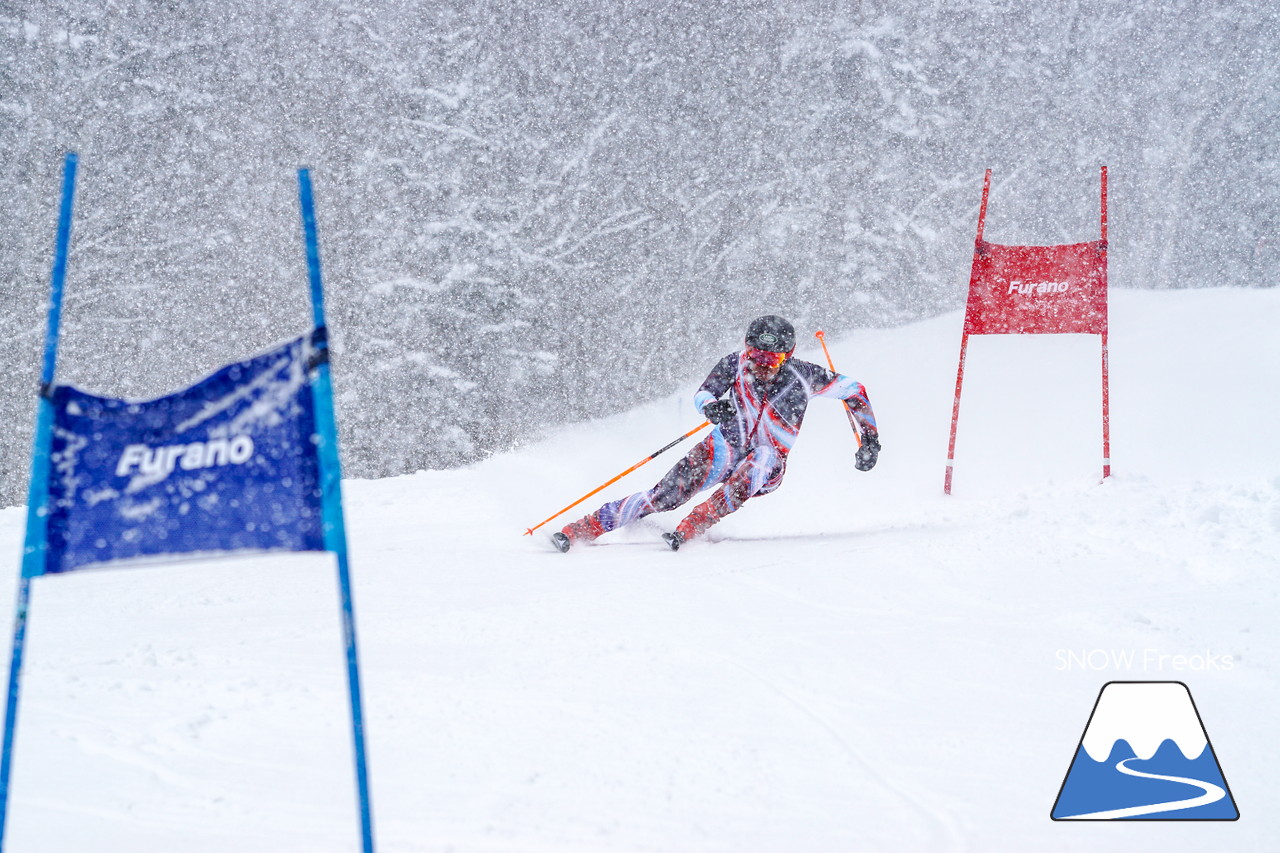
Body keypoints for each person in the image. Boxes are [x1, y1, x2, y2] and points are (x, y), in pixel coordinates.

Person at [552, 315, 880, 552]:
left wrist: (869, 440)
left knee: (762, 457)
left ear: (788, 355)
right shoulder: (734, 364)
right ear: (746, 348)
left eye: (773, 357)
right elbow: (704, 393)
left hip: (769, 465)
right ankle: (586, 527)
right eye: (756, 354)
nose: (762, 363)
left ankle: (698, 521)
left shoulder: (805, 376)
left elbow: (856, 391)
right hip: (723, 448)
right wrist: (711, 407)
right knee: (665, 497)